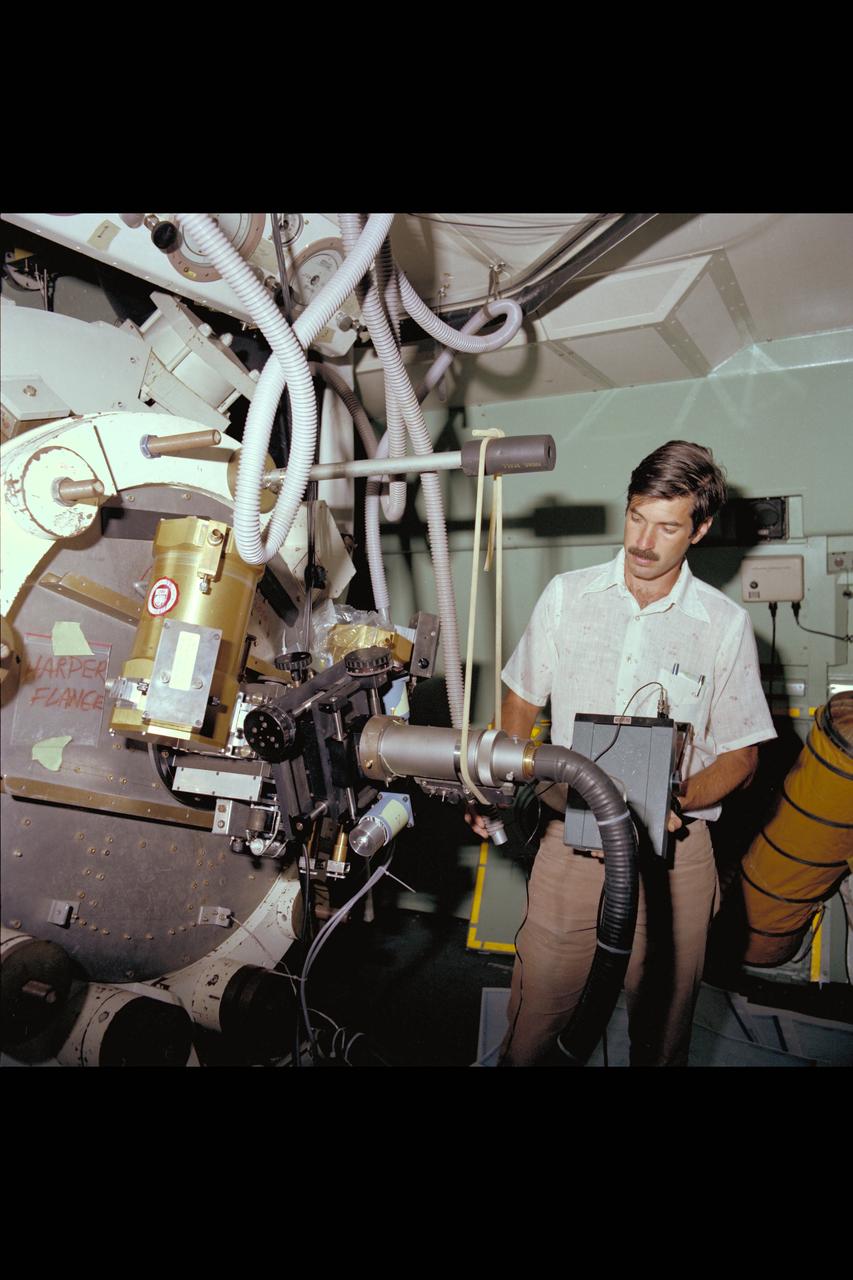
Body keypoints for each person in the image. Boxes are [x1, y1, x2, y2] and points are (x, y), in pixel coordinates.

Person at [470, 440, 776, 1067]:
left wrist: (674, 800)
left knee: (660, 1037)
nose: (643, 541)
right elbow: (520, 703)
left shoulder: (723, 626)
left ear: (700, 531)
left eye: (667, 527)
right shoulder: (567, 596)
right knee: (534, 1028)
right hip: (572, 847)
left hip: (675, 859)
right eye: (637, 517)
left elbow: (742, 758)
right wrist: (496, 781)